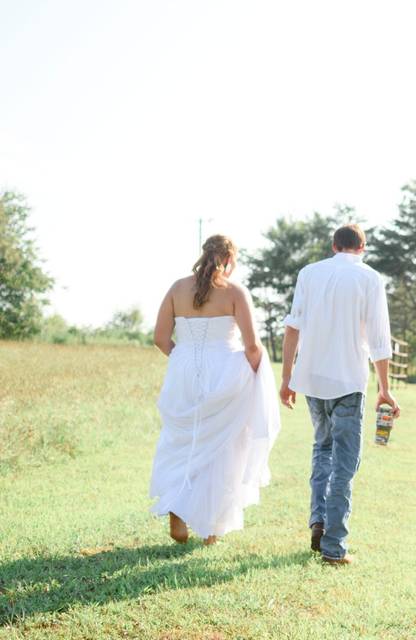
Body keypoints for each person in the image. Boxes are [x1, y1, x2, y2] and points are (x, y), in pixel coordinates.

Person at [280, 223, 399, 565]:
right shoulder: (370, 278)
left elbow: (292, 326)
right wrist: (386, 389)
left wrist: (287, 378)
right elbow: (379, 338)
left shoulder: (309, 273)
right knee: (345, 462)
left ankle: (318, 519)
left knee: (323, 448)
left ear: (334, 245)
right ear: (363, 248)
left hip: (313, 378)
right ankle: (334, 544)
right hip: (348, 379)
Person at [149, 235, 281, 545]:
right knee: (225, 445)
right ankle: (211, 529)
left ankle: (178, 511)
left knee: (182, 440)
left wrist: (183, 358)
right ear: (230, 259)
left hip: (183, 371)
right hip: (225, 370)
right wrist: (254, 375)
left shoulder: (177, 288)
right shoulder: (235, 292)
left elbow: (159, 337)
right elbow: (251, 345)